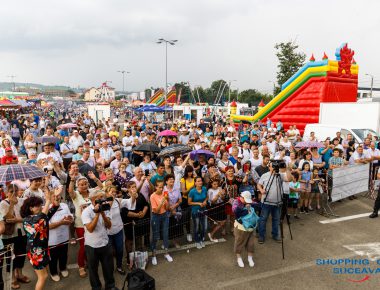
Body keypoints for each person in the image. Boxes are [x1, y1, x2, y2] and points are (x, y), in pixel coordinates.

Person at [21, 189, 61, 290]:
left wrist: (55, 199)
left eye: (40, 205)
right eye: (37, 205)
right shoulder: (28, 220)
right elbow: (40, 218)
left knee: (44, 275)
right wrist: (48, 200)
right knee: (43, 276)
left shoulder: (39, 217)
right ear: (30, 208)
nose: (40, 207)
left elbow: (52, 210)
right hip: (36, 252)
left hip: (42, 249)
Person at [81, 189, 118, 290]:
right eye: (100, 198)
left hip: (105, 243)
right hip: (91, 245)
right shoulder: (86, 212)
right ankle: (96, 287)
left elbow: (109, 226)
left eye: (103, 197)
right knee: (93, 270)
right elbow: (90, 229)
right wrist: (97, 214)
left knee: (108, 268)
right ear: (93, 200)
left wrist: (103, 214)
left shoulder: (106, 209)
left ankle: (110, 286)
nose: (103, 200)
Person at [0, 184, 30, 289]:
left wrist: (18, 219)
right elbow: (7, 219)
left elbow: (27, 217)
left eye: (16, 190)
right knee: (10, 258)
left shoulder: (22, 201)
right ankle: (12, 278)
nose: (14, 193)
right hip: (9, 235)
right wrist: (12, 204)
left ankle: (19, 274)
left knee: (21, 255)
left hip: (22, 232)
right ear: (6, 192)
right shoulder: (3, 204)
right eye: (11, 191)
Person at [257, 161, 291, 244]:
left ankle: (275, 235)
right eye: (273, 166)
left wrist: (288, 169)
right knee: (263, 219)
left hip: (277, 202)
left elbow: (289, 179)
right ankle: (261, 236)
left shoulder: (280, 175)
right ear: (269, 167)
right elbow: (258, 184)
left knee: (276, 219)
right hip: (266, 202)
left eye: (276, 166)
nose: (274, 168)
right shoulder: (265, 175)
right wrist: (261, 190)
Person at [105, 185, 136, 275]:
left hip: (118, 230)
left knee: (120, 250)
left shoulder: (118, 201)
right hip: (107, 232)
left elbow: (130, 202)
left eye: (115, 192)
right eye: (112, 192)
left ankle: (119, 266)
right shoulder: (102, 203)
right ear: (107, 193)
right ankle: (109, 268)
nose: (114, 193)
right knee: (109, 252)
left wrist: (133, 195)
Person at [48, 200, 73, 282]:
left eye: (58, 196)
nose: (56, 198)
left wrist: (70, 219)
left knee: (63, 254)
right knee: (53, 257)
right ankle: (53, 272)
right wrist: (61, 222)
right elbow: (47, 226)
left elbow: (70, 217)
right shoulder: (46, 207)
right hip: (52, 239)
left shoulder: (64, 205)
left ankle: (63, 268)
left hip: (64, 236)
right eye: (54, 196)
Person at [150, 180, 173, 265]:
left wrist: (167, 200)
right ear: (155, 187)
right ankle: (154, 255)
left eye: (162, 187)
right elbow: (156, 211)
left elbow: (167, 208)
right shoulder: (152, 196)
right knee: (155, 236)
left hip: (164, 216)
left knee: (165, 234)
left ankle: (166, 253)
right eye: (159, 187)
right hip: (156, 216)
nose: (161, 189)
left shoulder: (164, 194)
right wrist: (163, 201)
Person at [232, 191, 256, 268]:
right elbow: (236, 213)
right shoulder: (236, 202)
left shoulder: (249, 202)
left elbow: (258, 206)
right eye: (245, 199)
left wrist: (250, 206)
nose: (247, 202)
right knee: (239, 243)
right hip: (240, 227)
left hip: (250, 227)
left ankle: (250, 258)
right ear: (241, 197)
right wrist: (247, 210)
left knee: (251, 243)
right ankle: (239, 258)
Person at [188, 176, 208, 249]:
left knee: (204, 227)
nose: (200, 182)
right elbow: (189, 203)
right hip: (195, 211)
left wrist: (205, 201)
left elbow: (207, 197)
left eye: (201, 181)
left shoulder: (204, 189)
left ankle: (202, 238)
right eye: (198, 181)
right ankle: (197, 241)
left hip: (204, 210)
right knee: (196, 227)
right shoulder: (192, 191)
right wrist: (199, 203)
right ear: (195, 183)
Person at [207, 177, 227, 242]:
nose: (216, 185)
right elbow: (212, 201)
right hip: (215, 207)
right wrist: (218, 195)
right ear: (211, 184)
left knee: (222, 221)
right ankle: (211, 234)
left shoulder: (219, 188)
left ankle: (212, 234)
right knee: (220, 222)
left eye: (217, 184)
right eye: (214, 184)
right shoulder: (210, 191)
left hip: (222, 205)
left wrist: (222, 195)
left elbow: (223, 198)